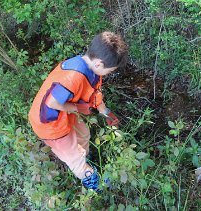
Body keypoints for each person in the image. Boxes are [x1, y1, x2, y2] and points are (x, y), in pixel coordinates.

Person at [28, 31, 128, 192]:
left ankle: (85, 156)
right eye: (110, 71)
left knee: (84, 134)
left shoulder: (93, 70)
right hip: (50, 125)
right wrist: (76, 108)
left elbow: (95, 94)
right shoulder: (73, 77)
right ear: (99, 64)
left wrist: (106, 113)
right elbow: (52, 103)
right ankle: (94, 183)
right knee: (75, 159)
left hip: (65, 114)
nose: (109, 74)